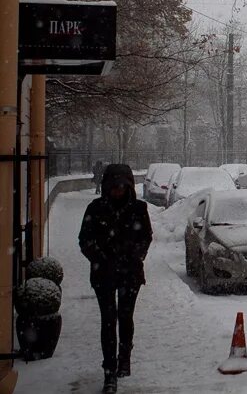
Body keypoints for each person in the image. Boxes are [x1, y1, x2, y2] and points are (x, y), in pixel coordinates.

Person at [79, 164, 153, 394]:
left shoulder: (139, 209)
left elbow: (146, 237)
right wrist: (101, 258)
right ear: (107, 187)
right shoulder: (96, 208)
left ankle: (125, 357)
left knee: (125, 317)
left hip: (130, 274)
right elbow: (85, 240)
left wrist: (134, 255)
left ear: (129, 186)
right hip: (104, 275)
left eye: (122, 187)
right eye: (114, 187)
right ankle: (109, 371)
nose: (118, 191)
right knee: (108, 320)